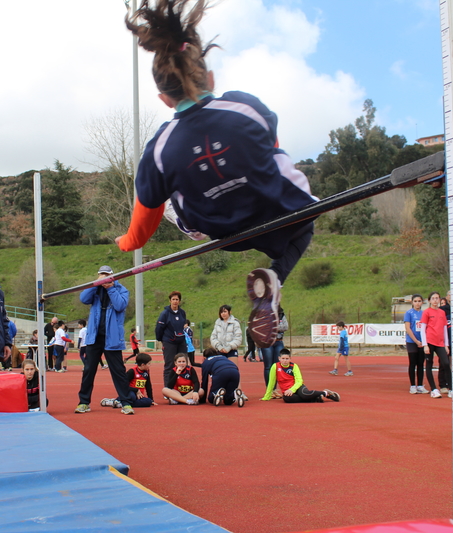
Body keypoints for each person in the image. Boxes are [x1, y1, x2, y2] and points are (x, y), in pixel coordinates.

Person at [118, 0, 316, 350]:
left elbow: (144, 219)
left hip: (218, 230)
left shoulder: (159, 149)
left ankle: (187, 217)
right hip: (275, 210)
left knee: (168, 203)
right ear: (210, 78)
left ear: (164, 98)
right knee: (306, 220)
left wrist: (128, 243)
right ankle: (274, 277)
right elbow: (272, 148)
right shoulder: (245, 105)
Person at [75, 265, 135, 415]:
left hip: (112, 339)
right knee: (89, 370)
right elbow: (83, 298)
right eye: (102, 275)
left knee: (118, 371)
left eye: (107, 275)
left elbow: (120, 305)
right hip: (94, 337)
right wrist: (95, 284)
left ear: (113, 276)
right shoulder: (94, 290)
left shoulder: (121, 290)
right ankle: (83, 402)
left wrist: (111, 288)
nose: (104, 278)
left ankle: (126, 402)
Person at [262, 349, 340, 403]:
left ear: (290, 359)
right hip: (287, 390)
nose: (285, 360)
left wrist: (292, 390)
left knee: (304, 394)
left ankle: (326, 393)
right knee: (287, 399)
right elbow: (271, 382)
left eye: (287, 358)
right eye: (283, 358)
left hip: (298, 387)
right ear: (279, 358)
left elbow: (299, 381)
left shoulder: (294, 366)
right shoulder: (275, 366)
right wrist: (267, 396)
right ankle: (315, 399)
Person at [420, 292, 451, 398]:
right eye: (433, 298)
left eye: (437, 298)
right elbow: (422, 329)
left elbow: (444, 329)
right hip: (429, 341)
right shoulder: (426, 312)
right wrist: (425, 344)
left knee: (446, 363)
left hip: (440, 342)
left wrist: (446, 344)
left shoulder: (442, 312)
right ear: (429, 300)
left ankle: (450, 388)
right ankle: (433, 389)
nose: (435, 300)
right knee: (429, 364)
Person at [156, 291, 189, 386]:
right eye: (173, 299)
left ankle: (182, 385)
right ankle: (168, 388)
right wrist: (161, 339)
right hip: (169, 342)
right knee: (170, 365)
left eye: (177, 299)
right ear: (170, 301)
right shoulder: (165, 314)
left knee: (183, 364)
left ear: (179, 301)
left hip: (181, 341)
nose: (175, 301)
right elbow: (159, 328)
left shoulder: (182, 313)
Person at [404, 294, 428, 394]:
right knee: (413, 363)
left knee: (421, 364)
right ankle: (413, 385)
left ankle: (420, 385)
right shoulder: (408, 313)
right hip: (412, 342)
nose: (417, 303)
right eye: (415, 301)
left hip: (422, 342)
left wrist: (423, 341)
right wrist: (416, 341)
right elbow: (408, 328)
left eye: (419, 301)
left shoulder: (424, 313)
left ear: (422, 302)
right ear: (412, 302)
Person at [261, 305, 287, 386]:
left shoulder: (281, 315)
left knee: (277, 366)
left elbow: (285, 327)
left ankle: (274, 389)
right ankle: (269, 389)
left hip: (279, 342)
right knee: (268, 366)